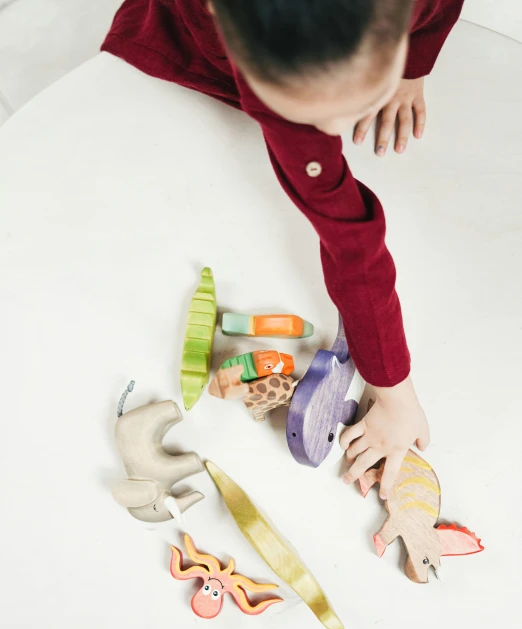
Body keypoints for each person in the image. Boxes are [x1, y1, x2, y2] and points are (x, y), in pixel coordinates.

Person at [102, 0, 464, 497]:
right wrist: (394, 389)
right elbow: (352, 243)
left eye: (357, 98)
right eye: (312, 112)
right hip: (191, 48)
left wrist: (411, 67)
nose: (336, 134)